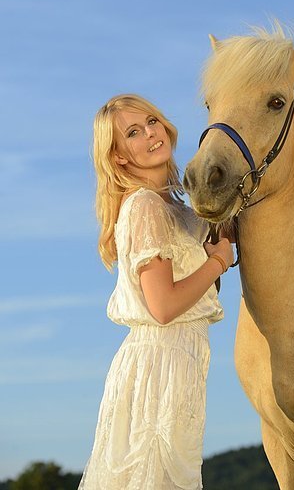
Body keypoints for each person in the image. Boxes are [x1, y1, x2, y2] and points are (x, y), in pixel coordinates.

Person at [78, 94, 234, 490]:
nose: (150, 133)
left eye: (151, 121)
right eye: (133, 133)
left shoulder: (178, 210)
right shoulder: (145, 206)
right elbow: (163, 306)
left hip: (179, 364)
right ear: (118, 158)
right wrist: (216, 262)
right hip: (156, 369)